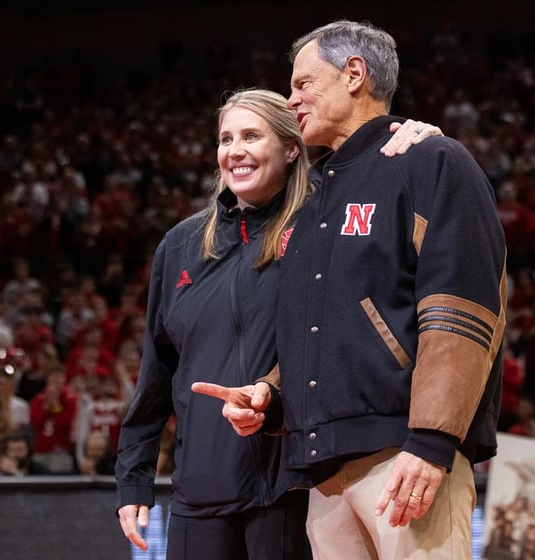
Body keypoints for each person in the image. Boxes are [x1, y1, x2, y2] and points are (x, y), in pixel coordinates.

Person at [193, 20, 506, 559]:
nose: (291, 100)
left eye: (303, 84)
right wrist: (273, 395)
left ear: (354, 75)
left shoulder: (431, 160)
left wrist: (431, 440)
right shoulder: (311, 197)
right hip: (323, 472)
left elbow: (461, 311)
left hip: (402, 455)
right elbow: (320, 327)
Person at [115, 87, 439, 559]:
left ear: (291, 149)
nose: (235, 151)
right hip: (198, 492)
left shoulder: (320, 226)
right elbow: (157, 369)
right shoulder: (180, 246)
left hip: (291, 488)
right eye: (226, 139)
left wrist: (421, 140)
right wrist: (134, 477)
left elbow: (382, 191)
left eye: (251, 136)